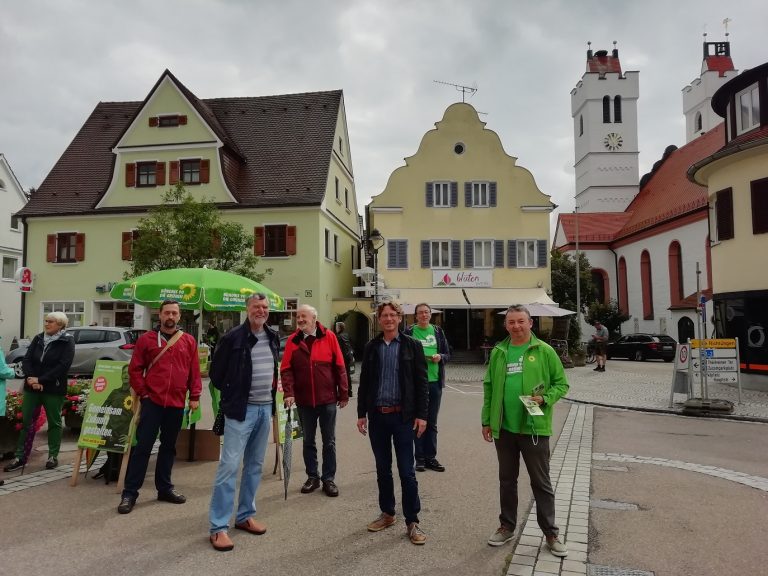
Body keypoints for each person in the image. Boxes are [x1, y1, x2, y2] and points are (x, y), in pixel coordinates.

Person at [481, 304, 569, 556]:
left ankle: (551, 533)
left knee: (541, 482)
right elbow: (488, 387)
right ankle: (507, 526)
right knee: (506, 480)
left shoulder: (544, 351)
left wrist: (545, 398)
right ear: (506, 325)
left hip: (534, 427)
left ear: (530, 323)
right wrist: (486, 421)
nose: (516, 326)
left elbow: (562, 384)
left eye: (521, 321)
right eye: (511, 322)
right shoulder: (499, 351)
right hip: (504, 428)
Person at [207, 293, 281, 552]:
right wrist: (234, 393)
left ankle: (244, 516)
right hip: (240, 410)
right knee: (228, 466)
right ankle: (218, 527)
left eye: (264, 307)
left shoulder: (272, 336)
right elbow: (216, 375)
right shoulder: (232, 338)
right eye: (256, 306)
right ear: (247, 309)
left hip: (264, 409)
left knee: (255, 466)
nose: (260, 310)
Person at [117, 300, 201, 514]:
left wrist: (195, 395)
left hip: (176, 402)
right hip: (152, 402)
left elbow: (194, 370)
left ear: (179, 317)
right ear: (160, 315)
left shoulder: (189, 341)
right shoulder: (146, 340)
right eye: (167, 313)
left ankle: (164, 488)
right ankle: (130, 493)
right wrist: (144, 394)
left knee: (169, 448)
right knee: (143, 448)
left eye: (174, 313)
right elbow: (135, 369)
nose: (170, 316)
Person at [357, 301, 429, 545]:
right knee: (382, 469)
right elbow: (364, 382)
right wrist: (361, 413)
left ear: (400, 318)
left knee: (407, 472)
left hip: (403, 418)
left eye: (392, 315)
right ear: (379, 319)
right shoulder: (371, 347)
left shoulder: (412, 345)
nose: (388, 319)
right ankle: (388, 513)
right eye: (384, 315)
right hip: (378, 416)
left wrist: (423, 415)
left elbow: (422, 384)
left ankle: (412, 521)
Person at [282, 305, 348, 497]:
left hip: (327, 399)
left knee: (329, 442)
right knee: (308, 441)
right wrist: (288, 393)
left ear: (314, 318)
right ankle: (313, 477)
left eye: (303, 316)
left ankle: (329, 479)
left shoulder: (329, 337)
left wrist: (343, 393)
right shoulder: (293, 341)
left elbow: (339, 366)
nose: (300, 319)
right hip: (304, 401)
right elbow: (286, 369)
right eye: (298, 317)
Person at [3, 312, 75, 472]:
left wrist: (41, 380)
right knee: (26, 422)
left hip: (53, 388)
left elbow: (63, 365)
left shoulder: (67, 340)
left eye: (51, 322)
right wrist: (31, 378)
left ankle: (52, 456)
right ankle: (20, 456)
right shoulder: (38, 338)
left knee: (54, 423)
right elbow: (27, 359)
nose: (46, 324)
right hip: (32, 387)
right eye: (46, 321)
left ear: (60, 325)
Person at [405, 303, 450, 472]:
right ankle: (420, 459)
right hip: (416, 384)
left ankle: (431, 457)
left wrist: (441, 357)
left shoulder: (438, 331)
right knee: (418, 421)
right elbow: (403, 354)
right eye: (420, 313)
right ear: (415, 316)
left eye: (426, 312)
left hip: (434, 382)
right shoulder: (409, 332)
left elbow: (447, 354)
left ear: (430, 315)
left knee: (432, 422)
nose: (424, 315)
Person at [334, 321, 355, 397]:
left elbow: (337, 349)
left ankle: (341, 392)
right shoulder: (347, 335)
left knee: (341, 374)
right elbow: (352, 345)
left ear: (339, 328)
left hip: (342, 357)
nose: (335, 328)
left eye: (336, 327)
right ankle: (349, 391)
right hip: (349, 357)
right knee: (348, 374)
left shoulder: (337, 336)